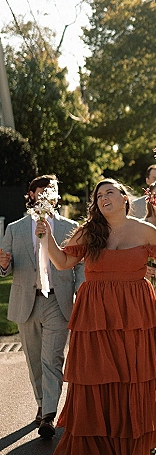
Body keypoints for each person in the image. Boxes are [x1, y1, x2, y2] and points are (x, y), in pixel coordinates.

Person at [36, 179, 156, 455]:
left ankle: (132, 442)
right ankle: (96, 449)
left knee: (131, 375)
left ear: (124, 198)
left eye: (110, 192)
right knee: (96, 376)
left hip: (135, 313)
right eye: (99, 195)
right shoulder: (88, 231)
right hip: (95, 314)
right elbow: (64, 262)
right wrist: (47, 238)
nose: (104, 198)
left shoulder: (146, 231)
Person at [0, 175, 83, 439]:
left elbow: (79, 264)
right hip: (27, 301)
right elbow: (5, 267)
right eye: (43, 190)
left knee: (52, 359)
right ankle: (41, 404)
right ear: (32, 194)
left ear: (58, 197)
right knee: (34, 360)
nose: (48, 194)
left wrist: (80, 289)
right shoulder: (15, 228)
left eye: (53, 190)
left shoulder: (71, 227)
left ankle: (48, 414)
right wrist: (3, 264)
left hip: (57, 302)